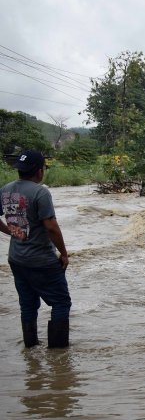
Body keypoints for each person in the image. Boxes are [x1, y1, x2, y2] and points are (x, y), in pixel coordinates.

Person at [0, 149, 71, 348]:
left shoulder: (6, 190)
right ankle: (58, 354)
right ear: (39, 171)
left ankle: (31, 349)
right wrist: (64, 254)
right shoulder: (41, 192)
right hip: (41, 260)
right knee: (61, 303)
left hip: (16, 258)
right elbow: (51, 227)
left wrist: (12, 231)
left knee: (28, 304)